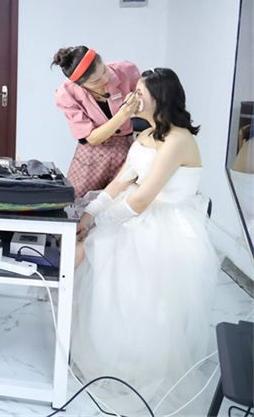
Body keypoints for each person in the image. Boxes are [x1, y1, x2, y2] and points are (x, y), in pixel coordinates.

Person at [72, 68, 219, 414]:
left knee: (120, 266)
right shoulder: (146, 134)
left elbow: (143, 198)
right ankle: (107, 350)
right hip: (137, 214)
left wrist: (100, 224)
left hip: (166, 224)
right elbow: (122, 182)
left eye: (139, 92)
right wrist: (89, 215)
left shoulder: (179, 139)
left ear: (160, 98)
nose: (132, 97)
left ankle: (138, 363)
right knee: (100, 258)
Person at [52, 46, 141, 199]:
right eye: (96, 81)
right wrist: (123, 114)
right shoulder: (66, 93)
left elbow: (145, 104)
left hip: (125, 148)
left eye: (104, 70)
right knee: (75, 202)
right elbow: (92, 138)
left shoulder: (127, 70)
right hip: (91, 154)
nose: (105, 79)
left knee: (119, 201)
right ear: (80, 84)